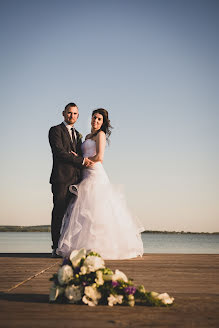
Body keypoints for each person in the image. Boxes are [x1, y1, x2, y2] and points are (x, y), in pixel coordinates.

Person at [57, 108, 144, 260]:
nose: (95, 121)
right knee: (83, 210)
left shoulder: (100, 135)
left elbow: (99, 157)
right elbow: (85, 154)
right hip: (85, 173)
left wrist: (84, 162)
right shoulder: (87, 136)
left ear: (103, 123)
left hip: (95, 173)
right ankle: (83, 247)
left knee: (96, 209)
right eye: (94, 118)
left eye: (99, 119)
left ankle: (100, 246)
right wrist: (79, 158)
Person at [49, 103, 93, 258]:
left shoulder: (79, 134)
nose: (71, 116)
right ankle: (55, 247)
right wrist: (81, 161)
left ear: (78, 116)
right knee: (59, 213)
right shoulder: (55, 130)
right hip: (61, 179)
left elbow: (79, 154)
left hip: (76, 180)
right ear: (63, 113)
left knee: (73, 215)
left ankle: (67, 247)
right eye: (69, 113)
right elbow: (60, 152)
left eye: (74, 114)